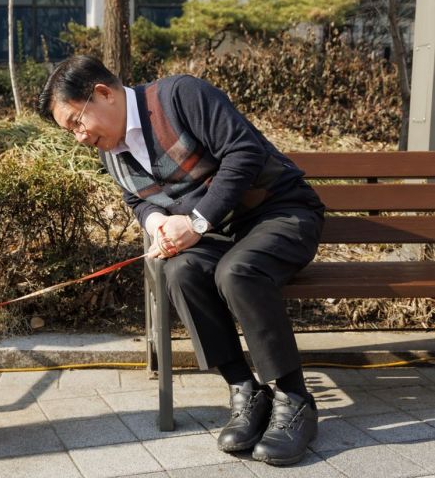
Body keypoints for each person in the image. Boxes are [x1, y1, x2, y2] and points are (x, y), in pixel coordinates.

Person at [38, 55, 325, 466]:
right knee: (181, 271)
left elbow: (243, 151)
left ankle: (294, 398)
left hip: (280, 212)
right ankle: (245, 389)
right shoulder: (111, 151)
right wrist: (157, 223)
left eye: (76, 122)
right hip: (220, 232)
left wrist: (195, 221)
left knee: (236, 272)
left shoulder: (180, 96)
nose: (80, 137)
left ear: (103, 93)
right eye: (71, 132)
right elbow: (135, 197)